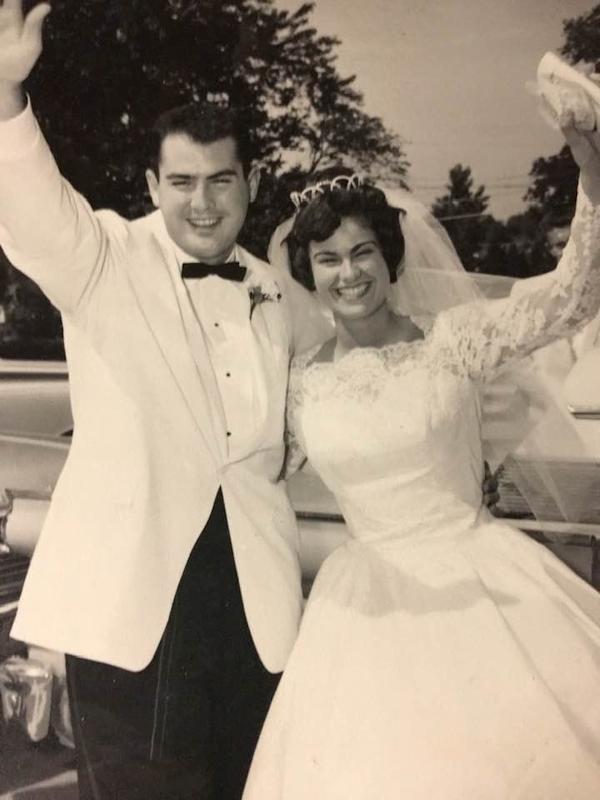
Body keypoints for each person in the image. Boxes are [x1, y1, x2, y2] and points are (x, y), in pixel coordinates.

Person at [0, 2, 332, 798]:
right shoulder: (102, 257)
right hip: (133, 618)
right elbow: (32, 212)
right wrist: (7, 98)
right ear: (152, 185)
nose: (202, 202)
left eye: (221, 180)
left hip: (256, 617)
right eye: (181, 182)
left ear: (252, 183)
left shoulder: (284, 298)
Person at [242, 94, 600, 797]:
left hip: (481, 586)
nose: (349, 274)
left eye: (363, 252)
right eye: (328, 259)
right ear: (307, 271)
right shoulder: (299, 384)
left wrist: (592, 173)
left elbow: (573, 298)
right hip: (362, 613)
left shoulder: (455, 340)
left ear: (390, 255)